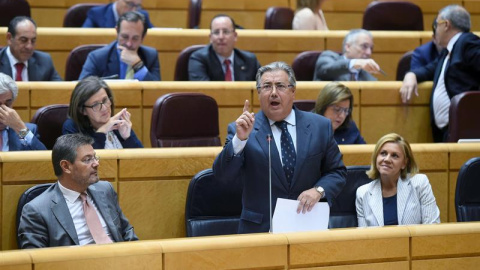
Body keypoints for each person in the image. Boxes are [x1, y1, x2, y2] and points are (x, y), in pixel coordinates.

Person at [213, 61, 346, 234]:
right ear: (259, 93)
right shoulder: (242, 129)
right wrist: (240, 140)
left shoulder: (319, 126)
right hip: (260, 231)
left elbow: (337, 172)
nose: (274, 93)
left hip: (308, 226)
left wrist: (319, 190)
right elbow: (223, 176)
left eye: (280, 86)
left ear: (293, 91)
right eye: (267, 86)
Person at [18, 133, 138, 248]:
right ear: (66, 166)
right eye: (87, 159)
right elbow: (36, 261)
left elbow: (126, 232)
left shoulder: (105, 190)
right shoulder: (36, 211)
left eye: (95, 157)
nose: (96, 163)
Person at [400, 5, 480, 142]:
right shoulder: (447, 52)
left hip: (465, 127)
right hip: (448, 130)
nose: (435, 30)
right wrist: (411, 75)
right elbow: (428, 70)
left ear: (446, 24)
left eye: (437, 24)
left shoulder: (467, 42)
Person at [356, 133, 440, 227]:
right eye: (383, 153)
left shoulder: (420, 183)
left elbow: (432, 228)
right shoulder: (363, 193)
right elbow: (363, 238)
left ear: (404, 163)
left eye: (394, 156)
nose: (387, 159)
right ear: (376, 157)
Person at [63, 76, 143, 149]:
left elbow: (142, 161)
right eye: (96, 105)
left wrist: (127, 138)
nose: (104, 108)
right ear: (82, 110)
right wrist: (102, 131)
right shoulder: (72, 128)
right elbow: (87, 161)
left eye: (105, 100)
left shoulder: (119, 124)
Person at [79, 11, 160, 81]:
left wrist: (138, 65)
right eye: (125, 37)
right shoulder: (97, 57)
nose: (129, 44)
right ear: (117, 31)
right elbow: (83, 90)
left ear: (143, 37)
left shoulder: (150, 56)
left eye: (135, 38)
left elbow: (154, 92)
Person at [188, 14, 260, 81]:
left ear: (235, 36)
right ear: (210, 37)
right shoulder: (198, 59)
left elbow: (264, 87)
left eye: (226, 32)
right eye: (216, 32)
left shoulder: (249, 60)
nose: (221, 37)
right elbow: (203, 91)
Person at [0, 16, 62, 81]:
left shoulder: (44, 61)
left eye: (33, 41)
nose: (29, 46)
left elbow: (60, 89)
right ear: (9, 38)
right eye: (23, 40)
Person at [0, 73, 46, 151]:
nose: (3, 109)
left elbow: (43, 161)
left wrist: (20, 128)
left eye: (8, 103)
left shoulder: (26, 130)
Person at [313, 29, 381, 81]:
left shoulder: (368, 78)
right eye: (364, 46)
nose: (369, 52)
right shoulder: (328, 57)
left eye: (371, 48)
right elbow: (327, 70)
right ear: (348, 47)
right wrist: (354, 63)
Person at [82, 0, 154, 28]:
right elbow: (83, 37)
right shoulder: (96, 14)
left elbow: (155, 37)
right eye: (130, 4)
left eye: (137, 6)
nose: (134, 10)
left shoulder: (142, 15)